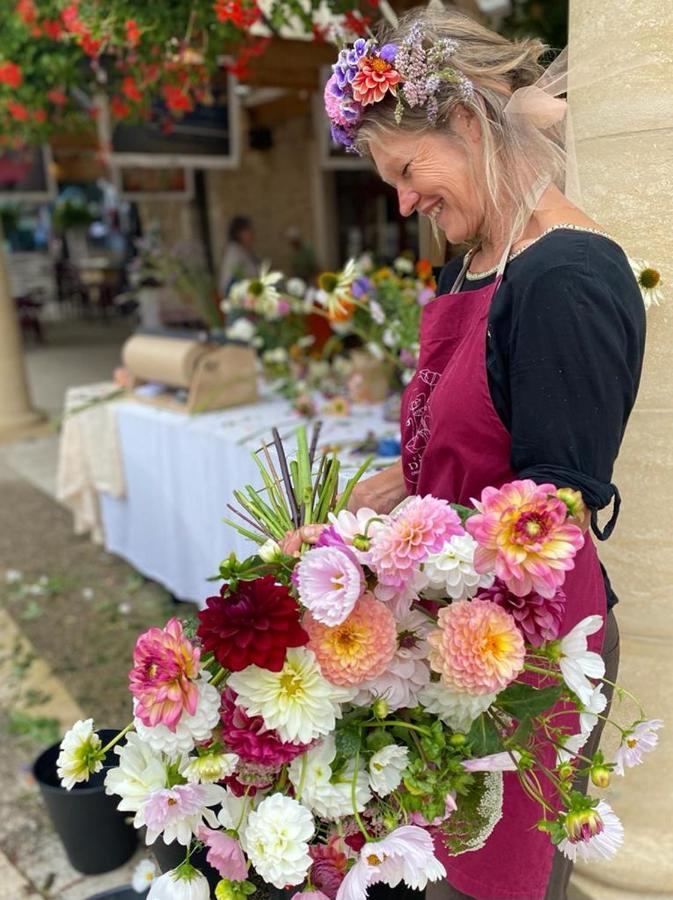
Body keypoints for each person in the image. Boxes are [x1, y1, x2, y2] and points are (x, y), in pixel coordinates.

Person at [325, 7, 645, 900]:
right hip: (460, 636)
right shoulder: (474, 261)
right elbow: (479, 438)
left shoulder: (566, 278)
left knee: (491, 883)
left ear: (466, 124)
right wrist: (397, 487)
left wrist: (395, 561)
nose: (401, 202)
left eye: (406, 170)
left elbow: (549, 521)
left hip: (525, 657)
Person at [218, 215, 259, 297]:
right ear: (238, 234)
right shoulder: (235, 252)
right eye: (248, 231)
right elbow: (240, 277)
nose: (252, 234)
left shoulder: (243, 251)